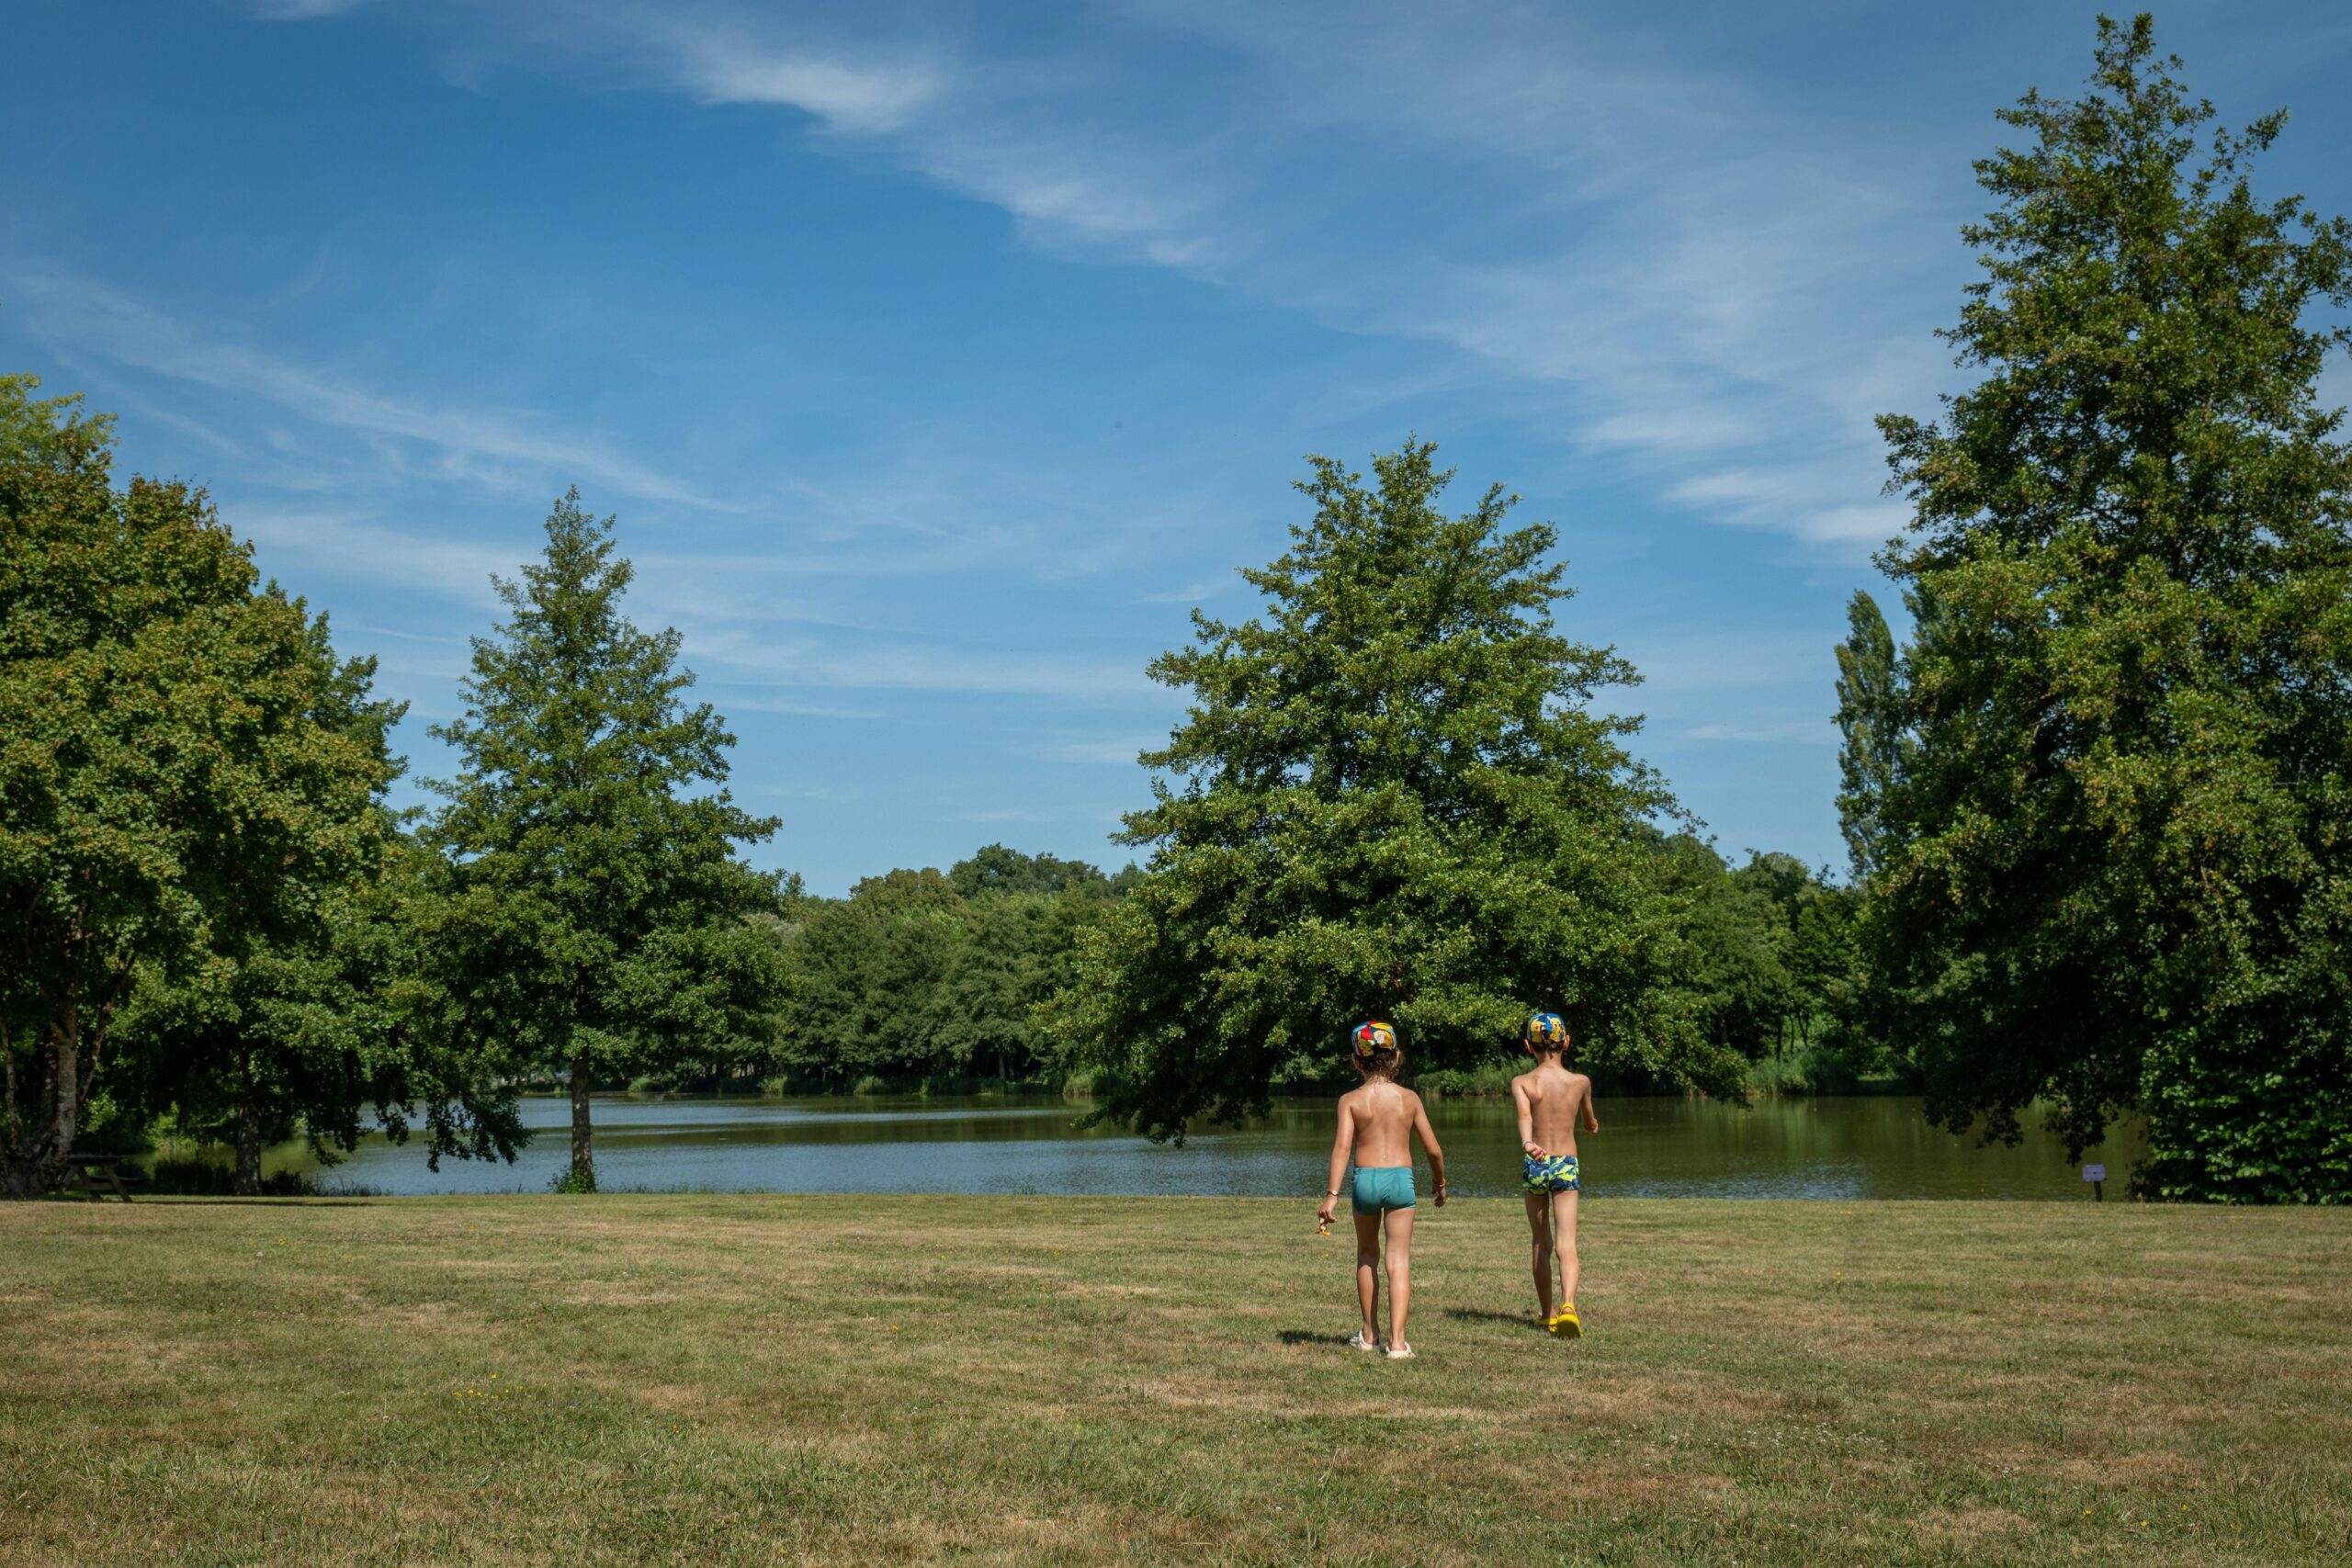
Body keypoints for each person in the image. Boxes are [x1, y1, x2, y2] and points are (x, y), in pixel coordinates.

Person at [1314, 1020, 1446, 1359]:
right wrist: (1439, 1182)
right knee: (1398, 1260)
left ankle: (1370, 1335)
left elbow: (1342, 1149)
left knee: (1367, 1256)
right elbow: (1433, 1150)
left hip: (1366, 1181)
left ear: (1356, 1061)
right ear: (1396, 1056)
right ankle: (1398, 1344)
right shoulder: (1409, 1099)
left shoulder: (1350, 1101)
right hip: (1401, 1180)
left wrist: (1331, 1195)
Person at [1512, 1012, 1598, 1337]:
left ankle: (1547, 1314)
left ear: (1528, 1046)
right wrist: (1592, 1126)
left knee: (1540, 1242)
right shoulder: (1580, 1082)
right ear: (1566, 1042)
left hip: (1536, 1161)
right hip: (1566, 1162)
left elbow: (1525, 1117)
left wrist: (1528, 1143)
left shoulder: (1522, 1083)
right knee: (1567, 1244)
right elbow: (1588, 1122)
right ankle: (1569, 1307)